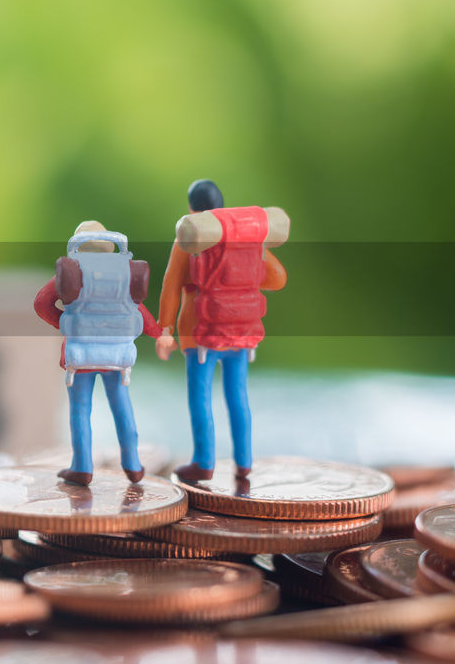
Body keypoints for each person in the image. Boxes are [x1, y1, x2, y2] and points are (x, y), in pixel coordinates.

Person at [155, 180, 288, 482]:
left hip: (199, 334)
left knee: (200, 399)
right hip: (241, 334)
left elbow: (171, 287)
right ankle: (243, 461)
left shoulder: (189, 242)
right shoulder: (247, 238)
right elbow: (279, 278)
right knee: (238, 397)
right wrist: (246, 274)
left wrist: (164, 330)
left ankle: (204, 462)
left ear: (192, 209)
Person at [34, 220, 161, 486]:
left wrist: (68, 324)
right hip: (117, 355)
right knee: (122, 406)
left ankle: (82, 467)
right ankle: (133, 463)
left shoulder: (72, 271)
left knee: (80, 410)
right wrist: (160, 334)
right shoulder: (124, 271)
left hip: (80, 357)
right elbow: (137, 310)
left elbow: (42, 303)